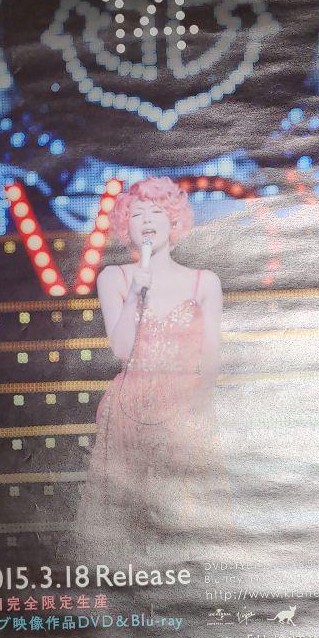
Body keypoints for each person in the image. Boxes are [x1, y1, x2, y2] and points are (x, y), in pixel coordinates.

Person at [74, 176, 225, 560]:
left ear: (173, 220)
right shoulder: (114, 277)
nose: (146, 220)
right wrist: (134, 296)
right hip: (131, 410)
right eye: (137, 213)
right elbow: (122, 348)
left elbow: (211, 359)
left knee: (184, 518)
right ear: (126, 225)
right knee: (129, 520)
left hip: (183, 410)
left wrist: (197, 410)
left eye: (156, 211)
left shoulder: (204, 282)